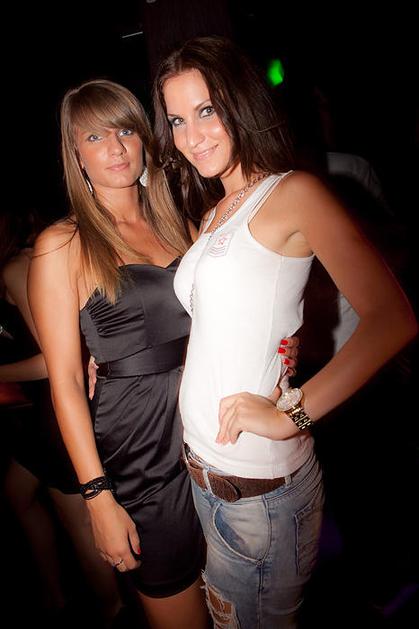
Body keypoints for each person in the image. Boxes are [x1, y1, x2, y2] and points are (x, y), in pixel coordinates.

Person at [152, 35, 417, 628]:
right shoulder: (213, 212)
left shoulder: (294, 192)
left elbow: (392, 319)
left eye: (206, 110)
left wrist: (290, 414)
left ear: (239, 103)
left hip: (259, 495)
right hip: (206, 476)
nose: (191, 136)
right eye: (177, 120)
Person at [27, 77, 300, 628]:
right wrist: (98, 498)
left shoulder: (179, 223)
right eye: (95, 137)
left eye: (125, 130)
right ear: (75, 154)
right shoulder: (63, 243)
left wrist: (282, 356)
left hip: (213, 441)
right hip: (141, 455)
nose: (115, 147)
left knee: (239, 606)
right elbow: (66, 383)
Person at [0, 208, 121, 628]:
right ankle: (55, 594)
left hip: (58, 413)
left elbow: (56, 362)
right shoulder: (14, 265)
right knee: (17, 494)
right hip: (40, 414)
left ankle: (112, 609)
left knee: (80, 520)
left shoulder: (18, 267)